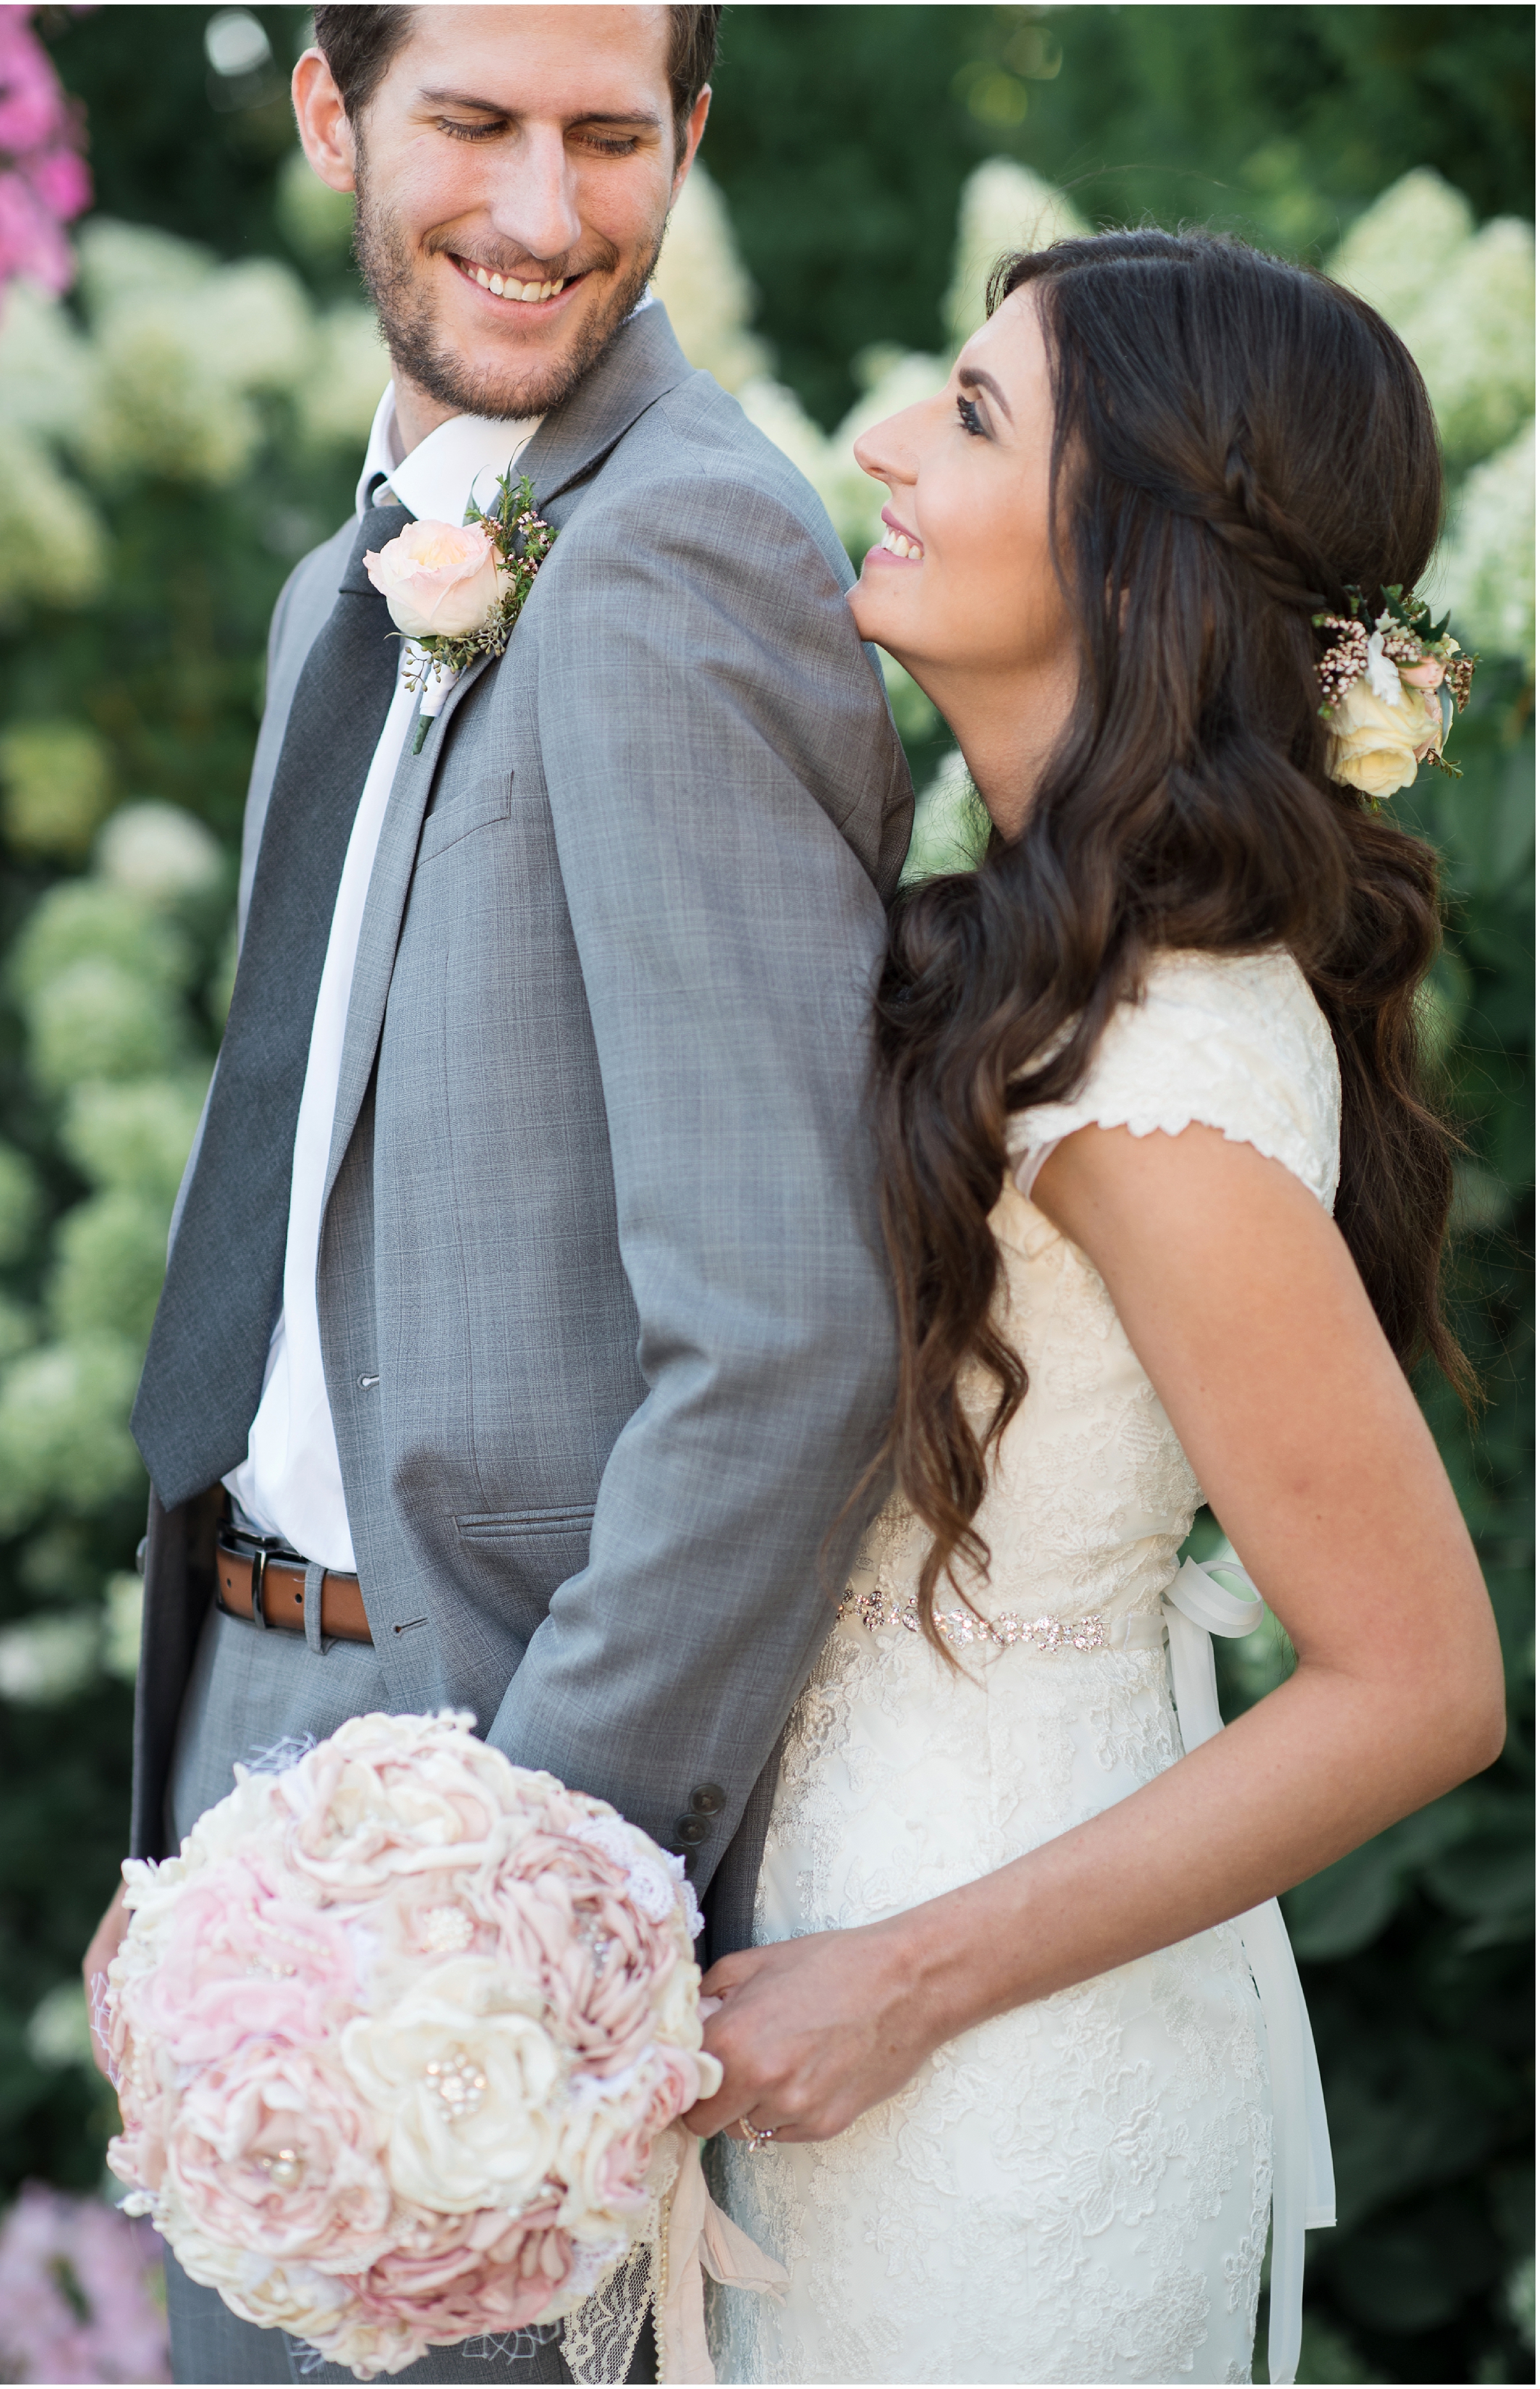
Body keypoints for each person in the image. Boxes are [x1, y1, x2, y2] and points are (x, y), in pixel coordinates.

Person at [81, 8, 911, 2382]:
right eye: (471, 124)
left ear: (693, 143)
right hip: (244, 1715)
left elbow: (782, 1335)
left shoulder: (685, 554)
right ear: (332, 109)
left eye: (608, 137)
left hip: (492, 1787)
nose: (544, 215)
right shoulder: (345, 574)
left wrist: (507, 1900)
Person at [692, 231, 1508, 2387]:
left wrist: (903, 1984)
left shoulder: (1158, 1063)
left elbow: (1416, 1679)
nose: (880, 444)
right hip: (845, 2004)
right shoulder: (1026, 959)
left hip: (986, 2081)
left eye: (968, 416)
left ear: (1134, 565)